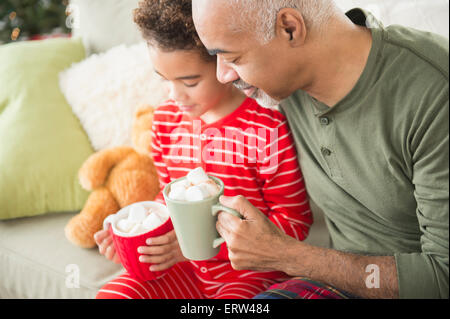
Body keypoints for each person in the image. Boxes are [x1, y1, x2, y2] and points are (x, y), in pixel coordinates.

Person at [191, 0, 449, 299]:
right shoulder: (283, 84)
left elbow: (442, 279)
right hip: (334, 285)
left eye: (232, 57)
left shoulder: (434, 96)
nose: (222, 75)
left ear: (289, 28)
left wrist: (285, 254)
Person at [94, 0, 314, 299]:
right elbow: (166, 199)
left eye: (190, 81)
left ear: (224, 64)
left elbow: (294, 222)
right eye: (165, 80)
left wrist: (204, 242)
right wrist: (141, 235)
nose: (175, 96)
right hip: (186, 270)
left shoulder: (266, 127)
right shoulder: (165, 120)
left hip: (253, 273)